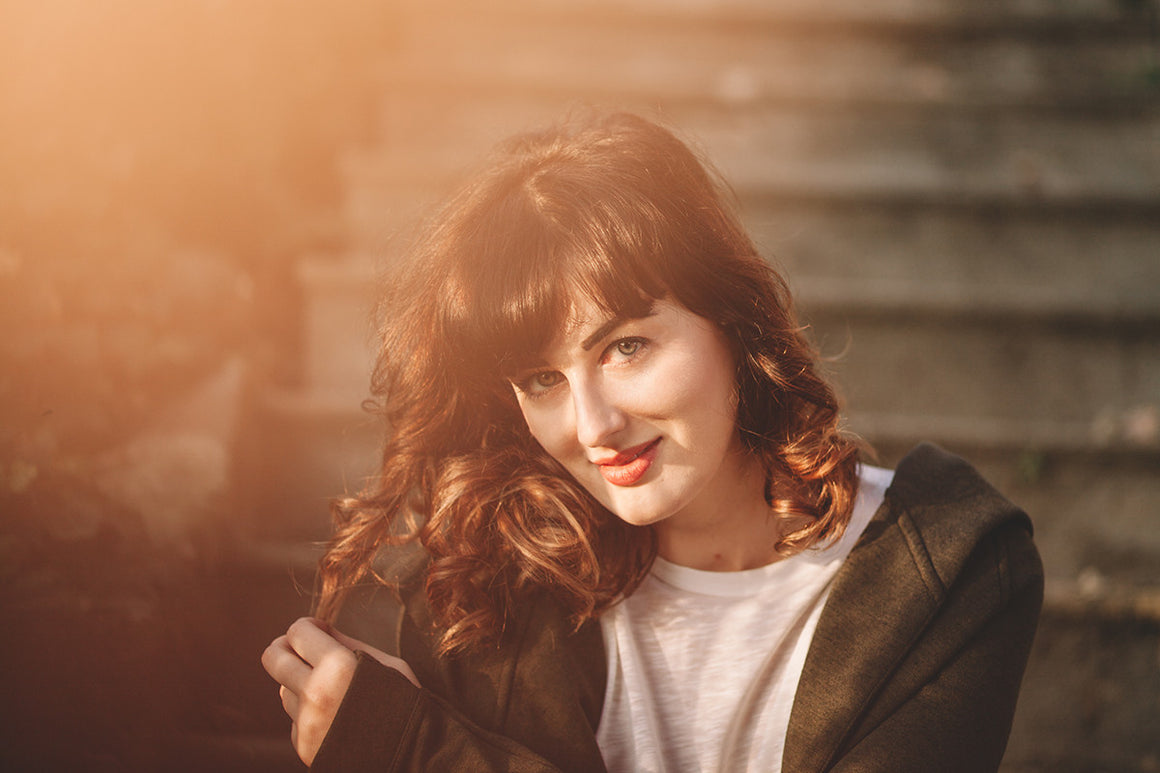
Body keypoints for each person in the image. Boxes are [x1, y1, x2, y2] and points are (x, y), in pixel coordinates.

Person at [262, 110, 1043, 772]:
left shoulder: (947, 573)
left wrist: (415, 750)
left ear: (732, 322)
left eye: (625, 347)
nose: (593, 425)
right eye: (541, 379)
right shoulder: (483, 586)